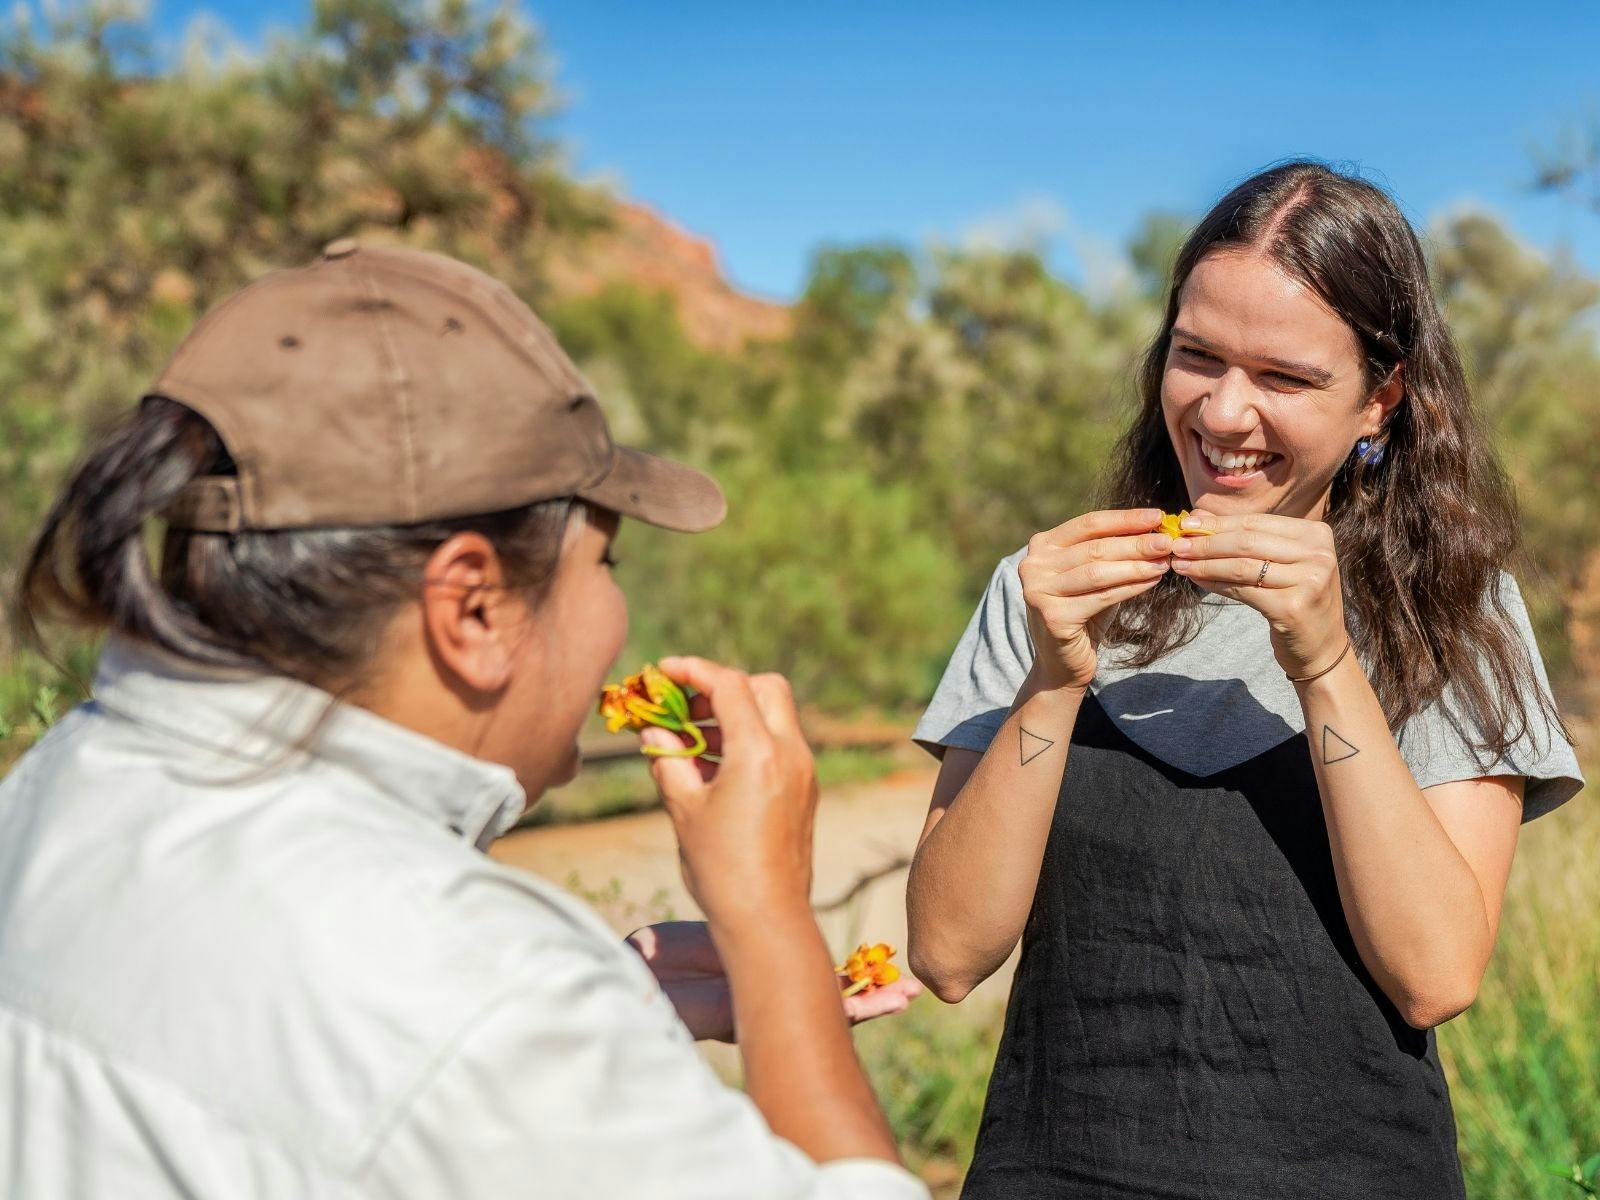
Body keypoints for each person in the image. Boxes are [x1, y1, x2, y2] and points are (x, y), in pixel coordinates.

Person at [1, 242, 927, 1198]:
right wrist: (771, 922)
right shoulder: (478, 999)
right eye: (605, 565)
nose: (618, 617)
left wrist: (605, 1006)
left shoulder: (65, 776)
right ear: (473, 608)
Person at [904, 161, 1584, 1199]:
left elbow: (1435, 976)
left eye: (1285, 378)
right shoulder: (1043, 589)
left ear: (1381, 400)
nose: (1223, 414)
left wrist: (1323, 660)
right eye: (1196, 357)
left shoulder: (1453, 609)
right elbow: (949, 954)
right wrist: (1052, 675)